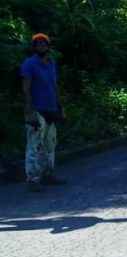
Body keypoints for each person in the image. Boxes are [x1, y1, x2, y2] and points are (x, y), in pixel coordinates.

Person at [21, 33, 66, 192]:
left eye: (44, 44)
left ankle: (48, 174)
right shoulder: (29, 64)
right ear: (34, 47)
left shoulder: (51, 63)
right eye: (38, 44)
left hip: (51, 109)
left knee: (50, 144)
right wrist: (29, 110)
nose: (41, 46)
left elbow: (54, 85)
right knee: (34, 145)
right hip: (37, 109)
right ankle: (32, 179)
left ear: (48, 46)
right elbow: (26, 88)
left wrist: (60, 106)